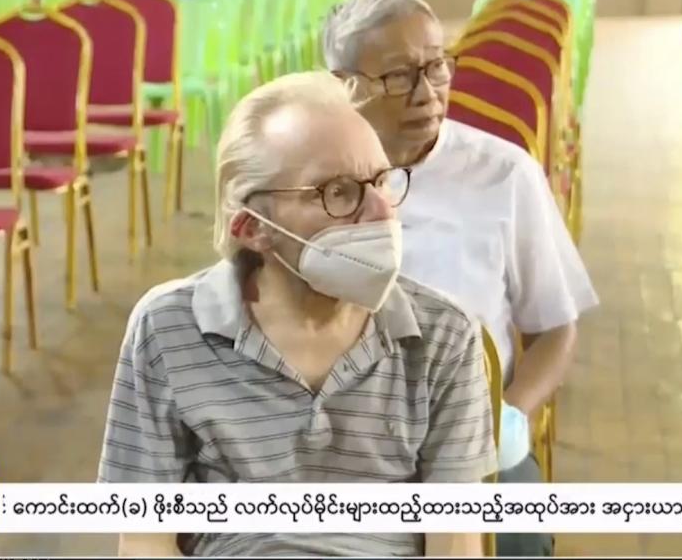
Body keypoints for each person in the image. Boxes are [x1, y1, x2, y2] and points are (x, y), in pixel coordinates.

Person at [98, 72, 497, 557]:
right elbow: (143, 541)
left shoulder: (444, 336)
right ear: (252, 228)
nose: (380, 211)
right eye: (338, 192)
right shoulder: (166, 329)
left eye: (382, 181)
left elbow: (455, 544)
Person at [323, 0, 600, 556]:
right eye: (400, 76)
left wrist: (512, 417)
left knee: (517, 536)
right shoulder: (306, 180)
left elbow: (557, 329)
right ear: (342, 85)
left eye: (438, 68)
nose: (428, 94)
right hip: (339, 440)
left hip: (474, 439)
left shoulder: (503, 173)